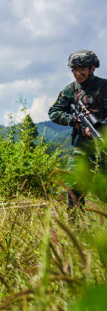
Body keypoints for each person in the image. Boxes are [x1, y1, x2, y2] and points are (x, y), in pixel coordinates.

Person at [48, 50, 106, 210]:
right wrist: (74, 121)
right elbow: (53, 112)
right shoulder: (71, 90)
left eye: (82, 69)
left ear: (92, 68)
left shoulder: (104, 87)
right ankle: (76, 229)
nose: (78, 74)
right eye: (74, 70)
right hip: (82, 146)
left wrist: (101, 126)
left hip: (104, 144)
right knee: (73, 187)